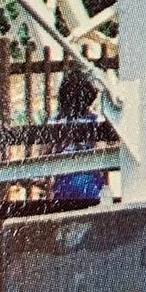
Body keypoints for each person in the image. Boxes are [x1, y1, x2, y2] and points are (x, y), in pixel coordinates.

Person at [48, 65, 109, 208]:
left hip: (62, 184)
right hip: (90, 184)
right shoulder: (95, 119)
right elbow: (102, 155)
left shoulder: (55, 120)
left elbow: (45, 152)